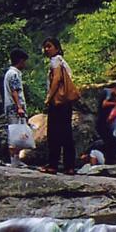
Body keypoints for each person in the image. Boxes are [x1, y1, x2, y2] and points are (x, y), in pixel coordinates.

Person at [41, 37, 77, 174]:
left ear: (57, 47)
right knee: (66, 133)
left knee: (54, 134)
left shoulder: (55, 60)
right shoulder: (63, 61)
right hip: (66, 103)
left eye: (49, 46)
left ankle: (53, 165)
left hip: (57, 103)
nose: (46, 49)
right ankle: (70, 166)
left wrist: (49, 97)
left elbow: (56, 79)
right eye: (45, 47)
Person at [3, 49, 29, 168]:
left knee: (16, 134)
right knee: (16, 134)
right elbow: (15, 91)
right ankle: (14, 161)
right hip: (15, 108)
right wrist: (19, 107)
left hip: (11, 107)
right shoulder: (14, 74)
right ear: (21, 61)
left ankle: (16, 159)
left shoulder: (10, 73)